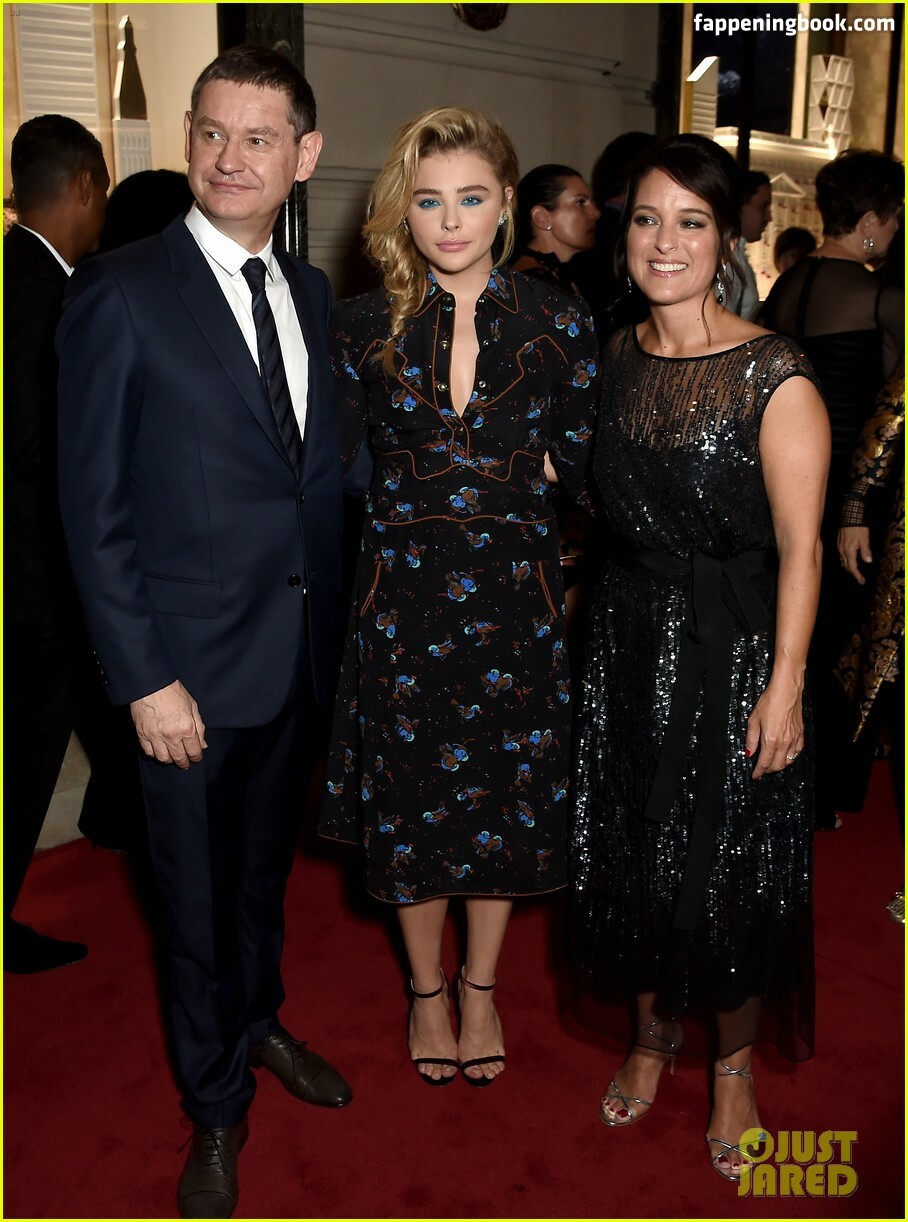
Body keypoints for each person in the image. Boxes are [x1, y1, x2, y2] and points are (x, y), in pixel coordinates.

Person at [57, 46, 351, 1219]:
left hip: (296, 658)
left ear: (303, 155)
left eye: (258, 138)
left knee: (261, 881)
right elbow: (91, 511)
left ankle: (259, 1020)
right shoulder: (118, 290)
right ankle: (216, 1102)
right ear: (187, 137)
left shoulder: (310, 292)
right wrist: (143, 678)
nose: (230, 158)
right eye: (211, 132)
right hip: (181, 680)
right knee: (189, 904)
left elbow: (310, 475)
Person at [320, 107, 598, 1087]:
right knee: (412, 805)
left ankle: (481, 986)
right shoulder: (360, 324)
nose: (449, 221)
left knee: (499, 800)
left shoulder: (559, 320)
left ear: (506, 204)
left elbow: (586, 470)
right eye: (428, 200)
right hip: (400, 601)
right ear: (404, 208)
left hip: (516, 602)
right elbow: (332, 471)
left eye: (471, 198)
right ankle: (426, 989)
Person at [570, 135, 830, 1182]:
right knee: (633, 846)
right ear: (622, 232)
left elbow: (802, 548)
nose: (664, 241)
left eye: (690, 222)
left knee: (729, 865)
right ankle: (649, 1034)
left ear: (726, 239)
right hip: (624, 644)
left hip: (734, 654)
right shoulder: (618, 354)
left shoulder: (775, 373)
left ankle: (730, 1066)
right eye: (646, 219)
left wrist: (786, 687)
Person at [761, 148, 904, 826]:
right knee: (838, 645)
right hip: (850, 495)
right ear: (871, 220)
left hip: (780, 484)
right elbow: (890, 408)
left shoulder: (785, 286)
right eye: (895, 218)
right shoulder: (879, 296)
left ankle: (785, 784)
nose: (896, 231)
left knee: (791, 635)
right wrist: (857, 506)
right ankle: (821, 794)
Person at [4, 114, 109, 974]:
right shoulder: (47, 295)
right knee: (21, 766)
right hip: (33, 585)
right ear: (82, 185)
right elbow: (40, 448)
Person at [511, 163, 599, 295]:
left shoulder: (558, 275)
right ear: (541, 218)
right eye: (580, 202)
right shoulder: (533, 283)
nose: (596, 213)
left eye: (593, 202)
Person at [728, 169, 772, 320]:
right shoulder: (725, 260)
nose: (769, 217)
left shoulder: (737, 255)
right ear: (740, 206)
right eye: (763, 207)